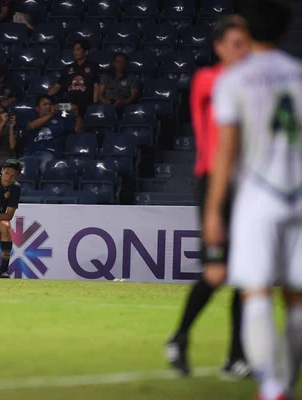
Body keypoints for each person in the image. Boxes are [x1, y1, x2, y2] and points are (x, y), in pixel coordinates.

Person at [205, 1, 302, 399]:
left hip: (259, 193)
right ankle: (287, 382)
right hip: (299, 190)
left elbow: (226, 150)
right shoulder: (299, 74)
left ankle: (273, 386)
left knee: (257, 291)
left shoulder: (236, 78)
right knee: (296, 296)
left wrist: (213, 210)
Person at [165, 15, 252, 379]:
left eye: (245, 43)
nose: (242, 50)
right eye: (234, 43)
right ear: (218, 48)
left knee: (249, 277)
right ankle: (179, 337)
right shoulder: (207, 80)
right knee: (217, 273)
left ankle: (236, 357)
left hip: (247, 185)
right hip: (213, 182)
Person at [26, 95, 84, 171]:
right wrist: (51, 114)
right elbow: (31, 126)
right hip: (32, 154)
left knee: (45, 164)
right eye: (45, 104)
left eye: (50, 104)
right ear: (37, 108)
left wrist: (77, 115)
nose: (48, 106)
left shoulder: (60, 120)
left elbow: (79, 129)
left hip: (51, 153)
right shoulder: (33, 118)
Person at [47, 40, 99, 117]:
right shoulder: (68, 68)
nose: (74, 52)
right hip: (67, 104)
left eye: (78, 50)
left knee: (75, 109)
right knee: (52, 108)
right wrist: (45, 97)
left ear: (86, 52)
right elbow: (57, 86)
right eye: (74, 50)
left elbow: (96, 86)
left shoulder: (93, 66)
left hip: (84, 104)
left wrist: (95, 104)